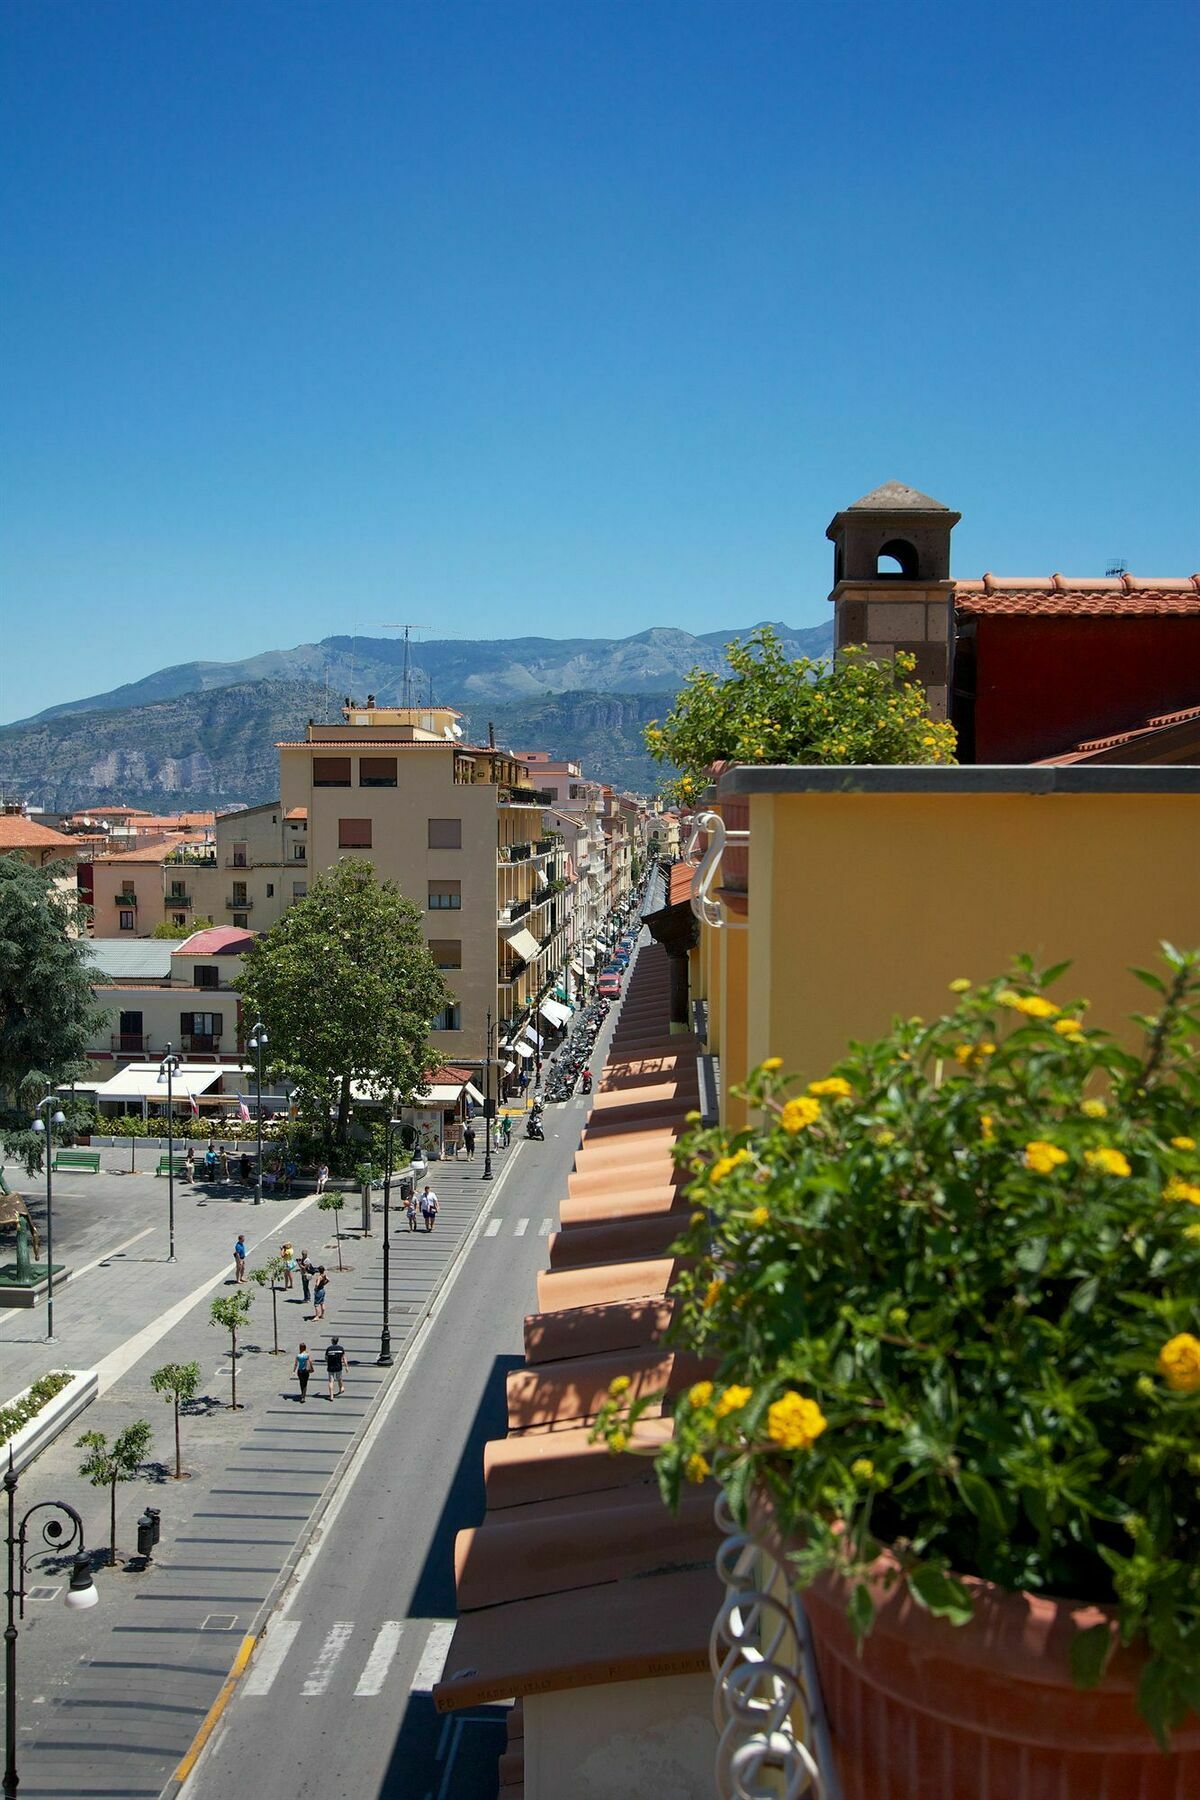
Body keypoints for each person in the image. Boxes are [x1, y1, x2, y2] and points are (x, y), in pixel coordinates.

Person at [325, 1336, 346, 1400]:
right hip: (338, 1366)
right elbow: (343, 1357)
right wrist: (345, 1365)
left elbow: (326, 1358)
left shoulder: (329, 1349)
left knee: (331, 1381)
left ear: (332, 1341)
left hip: (331, 1367)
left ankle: (331, 1396)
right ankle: (341, 1389)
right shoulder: (341, 1348)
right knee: (339, 1378)